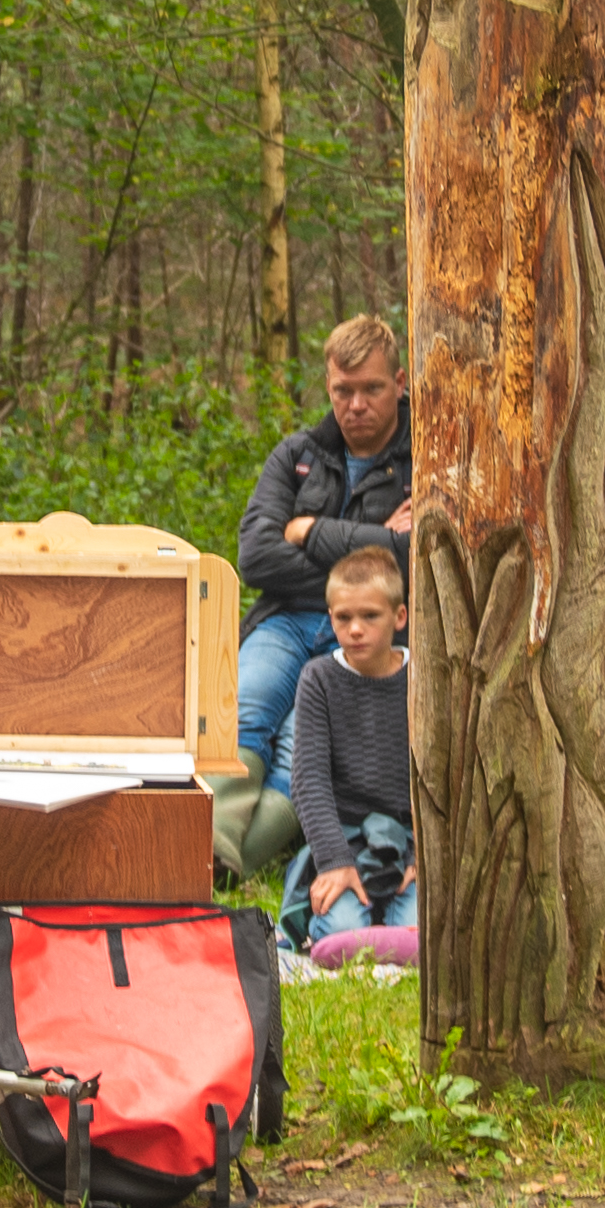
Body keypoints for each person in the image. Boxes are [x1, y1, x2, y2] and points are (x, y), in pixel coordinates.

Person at [227, 318, 412, 887]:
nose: (355, 405)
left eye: (372, 389)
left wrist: (307, 531)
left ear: (400, 383)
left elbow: (414, 564)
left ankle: (231, 865)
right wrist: (378, 540)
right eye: (342, 391)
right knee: (249, 709)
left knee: (299, 743)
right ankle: (207, 841)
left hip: (369, 633)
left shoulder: (424, 458)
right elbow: (256, 558)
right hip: (284, 621)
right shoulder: (298, 454)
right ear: (328, 387)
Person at [287, 545, 419, 942]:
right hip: (341, 839)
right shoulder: (319, 679)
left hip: (409, 841)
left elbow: (445, 775)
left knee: (416, 932)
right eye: (344, 618)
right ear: (331, 618)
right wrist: (333, 861)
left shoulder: (424, 675)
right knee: (341, 933)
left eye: (370, 616)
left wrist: (426, 856)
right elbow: (308, 780)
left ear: (399, 616)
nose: (356, 629)